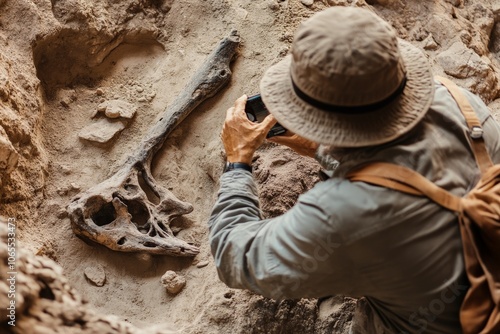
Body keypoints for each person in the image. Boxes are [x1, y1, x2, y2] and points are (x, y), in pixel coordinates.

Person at [208, 6, 500, 333]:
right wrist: (325, 150)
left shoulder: (338, 215)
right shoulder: (463, 105)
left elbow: (235, 256)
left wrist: (238, 160)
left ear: (318, 118)